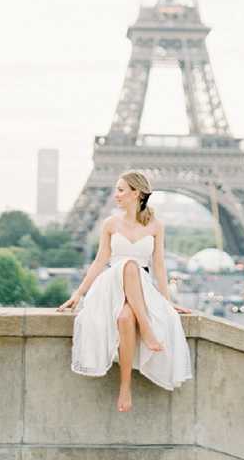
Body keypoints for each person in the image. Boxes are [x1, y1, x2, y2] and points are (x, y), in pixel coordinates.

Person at [56, 169, 193, 412]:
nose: (116, 195)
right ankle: (148, 330)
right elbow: (100, 261)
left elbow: (159, 266)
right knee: (128, 265)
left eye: (121, 190)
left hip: (141, 288)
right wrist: (78, 294)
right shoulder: (110, 224)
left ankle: (125, 387)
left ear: (136, 193)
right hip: (111, 284)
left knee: (124, 318)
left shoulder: (156, 225)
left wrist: (167, 301)